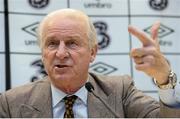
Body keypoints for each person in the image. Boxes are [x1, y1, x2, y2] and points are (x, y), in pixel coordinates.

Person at [0, 8, 180, 118]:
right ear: (42, 53)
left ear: (92, 52)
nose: (61, 53)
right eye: (52, 43)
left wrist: (165, 79)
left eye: (72, 43)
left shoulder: (119, 92)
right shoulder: (11, 103)